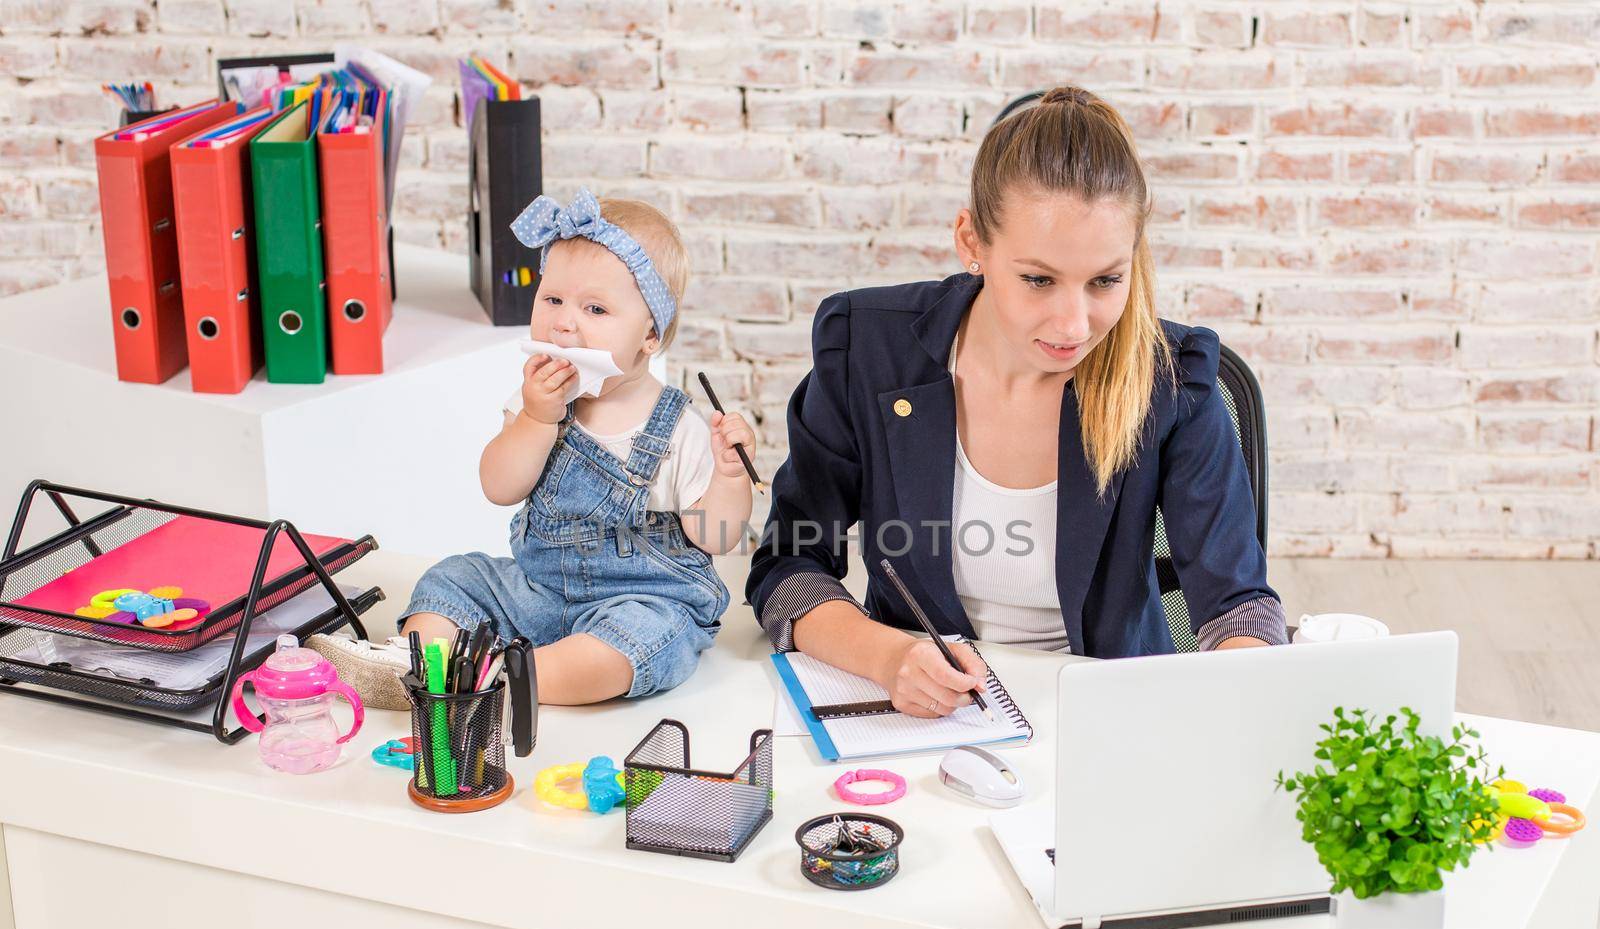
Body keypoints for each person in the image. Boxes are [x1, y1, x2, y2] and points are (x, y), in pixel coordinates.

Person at [746, 85, 1287, 719]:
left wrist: (1247, 684)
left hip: (1106, 713)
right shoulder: (864, 346)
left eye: (1106, 281)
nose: (1074, 325)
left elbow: (1237, 605)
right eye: (1038, 279)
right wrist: (887, 656)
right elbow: (787, 564)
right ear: (971, 242)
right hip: (919, 713)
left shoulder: (1174, 380)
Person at [315, 189, 756, 708]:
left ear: (650, 334)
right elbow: (500, 486)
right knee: (454, 578)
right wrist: (536, 418)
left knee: (639, 642)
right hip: (537, 592)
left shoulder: (679, 424)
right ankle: (424, 662)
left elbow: (716, 539)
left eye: (595, 308)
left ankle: (496, 679)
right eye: (552, 300)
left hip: (643, 599)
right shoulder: (536, 402)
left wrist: (730, 478)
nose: (564, 322)